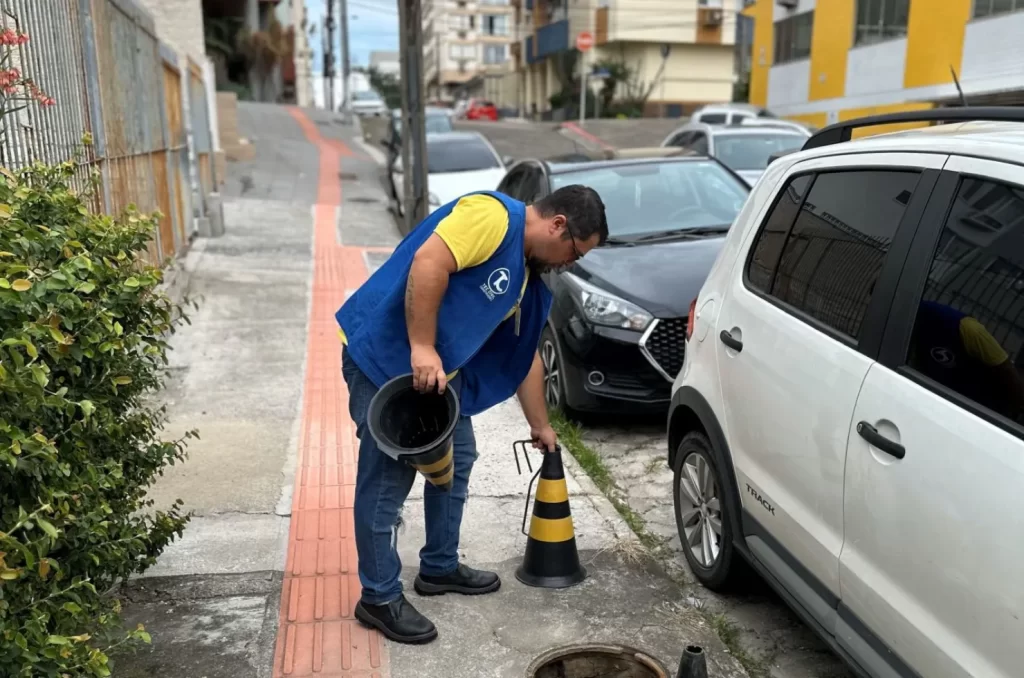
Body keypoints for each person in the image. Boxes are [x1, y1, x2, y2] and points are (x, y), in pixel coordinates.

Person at [335, 186, 608, 644]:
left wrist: (540, 425)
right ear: (558, 224)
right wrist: (422, 345)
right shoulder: (492, 217)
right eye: (574, 252)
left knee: (458, 458)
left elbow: (525, 356)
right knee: (386, 484)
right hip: (385, 361)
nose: (569, 264)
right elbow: (428, 263)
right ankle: (378, 598)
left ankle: (439, 567)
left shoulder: (527, 273)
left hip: (437, 374)